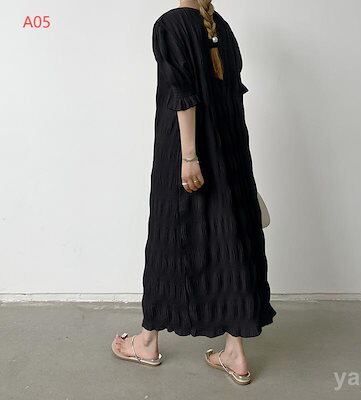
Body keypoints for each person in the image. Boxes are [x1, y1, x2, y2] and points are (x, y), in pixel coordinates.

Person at [111, 0, 276, 385]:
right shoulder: (222, 27)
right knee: (229, 241)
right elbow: (232, 97)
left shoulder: (170, 24)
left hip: (187, 153)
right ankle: (235, 352)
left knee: (169, 238)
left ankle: (147, 342)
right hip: (229, 154)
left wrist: (189, 156)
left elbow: (181, 94)